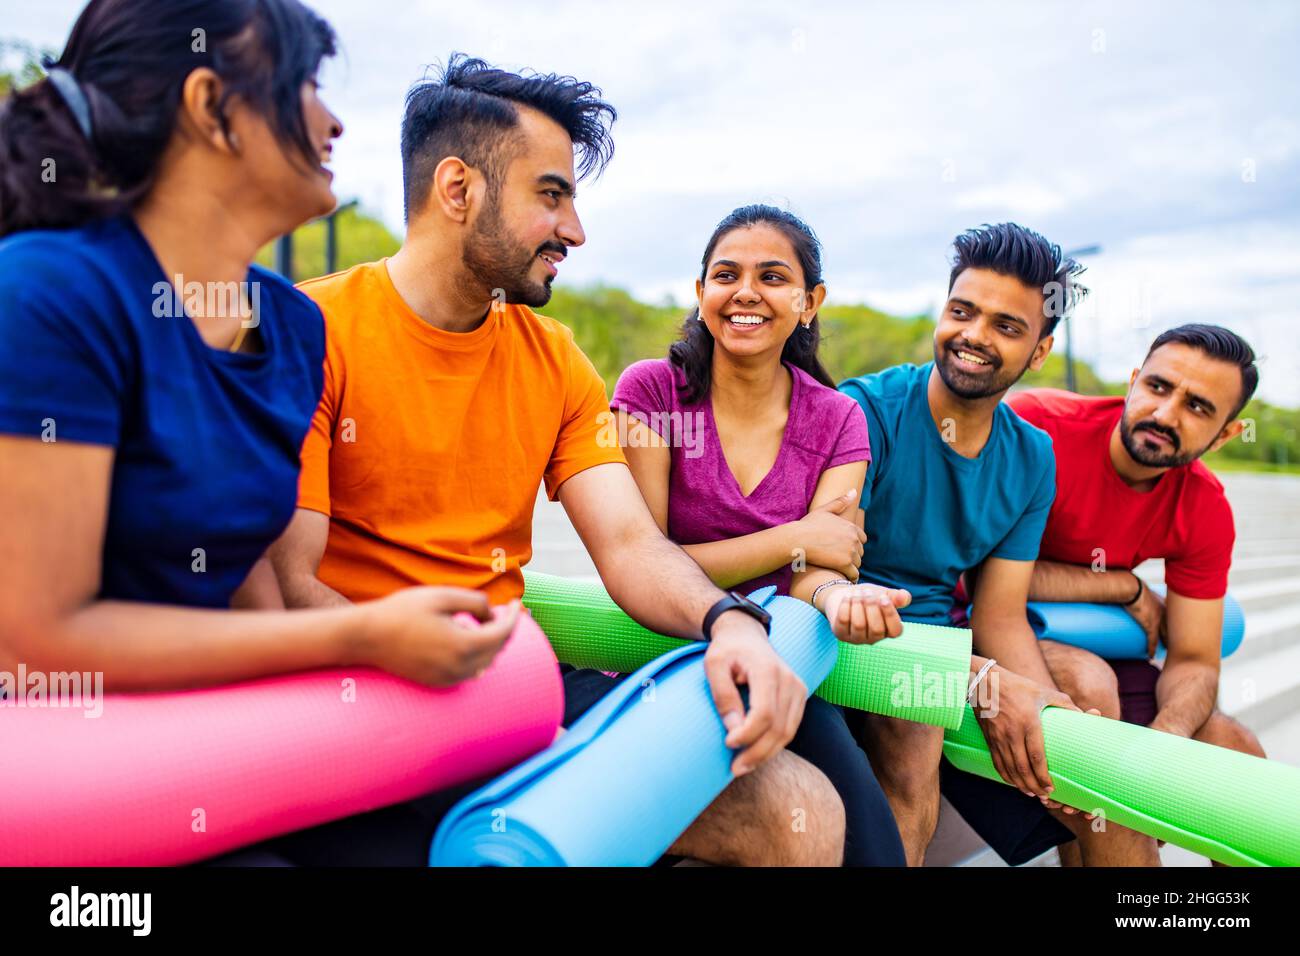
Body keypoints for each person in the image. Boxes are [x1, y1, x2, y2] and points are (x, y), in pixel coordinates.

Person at [266, 57, 845, 866]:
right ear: (458, 189)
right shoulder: (308, 330)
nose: (575, 230)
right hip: (356, 697)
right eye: (551, 195)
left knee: (800, 809)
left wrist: (730, 621)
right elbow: (293, 588)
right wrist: (455, 674)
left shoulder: (555, 357)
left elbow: (633, 545)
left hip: (504, 686)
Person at [838, 222, 1160, 866]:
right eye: (963, 311)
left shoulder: (1031, 455)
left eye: (1007, 327)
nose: (975, 336)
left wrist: (1046, 711)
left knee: (1082, 712)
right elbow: (830, 586)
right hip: (856, 633)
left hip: (948, 640)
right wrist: (983, 678)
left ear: (1039, 352)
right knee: (915, 722)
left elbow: (1000, 613)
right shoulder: (864, 412)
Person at [609, 203, 909, 866]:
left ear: (810, 301)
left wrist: (837, 598)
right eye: (726, 275)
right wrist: (792, 538)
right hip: (657, 649)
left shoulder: (837, 420)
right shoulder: (652, 392)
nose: (745, 292)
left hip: (783, 659)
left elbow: (823, 564)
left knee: (869, 837)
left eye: (772, 277)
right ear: (701, 294)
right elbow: (644, 557)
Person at [1006, 324, 1267, 865]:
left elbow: (1195, 658)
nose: (1167, 414)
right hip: (991, 628)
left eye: (1198, 407)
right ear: (1132, 383)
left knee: (1236, 755)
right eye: (1158, 387)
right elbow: (978, 574)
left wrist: (1164, 739)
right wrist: (1120, 585)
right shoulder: (1038, 426)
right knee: (1090, 692)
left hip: (1092, 641)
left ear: (1224, 435)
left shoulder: (1204, 505)